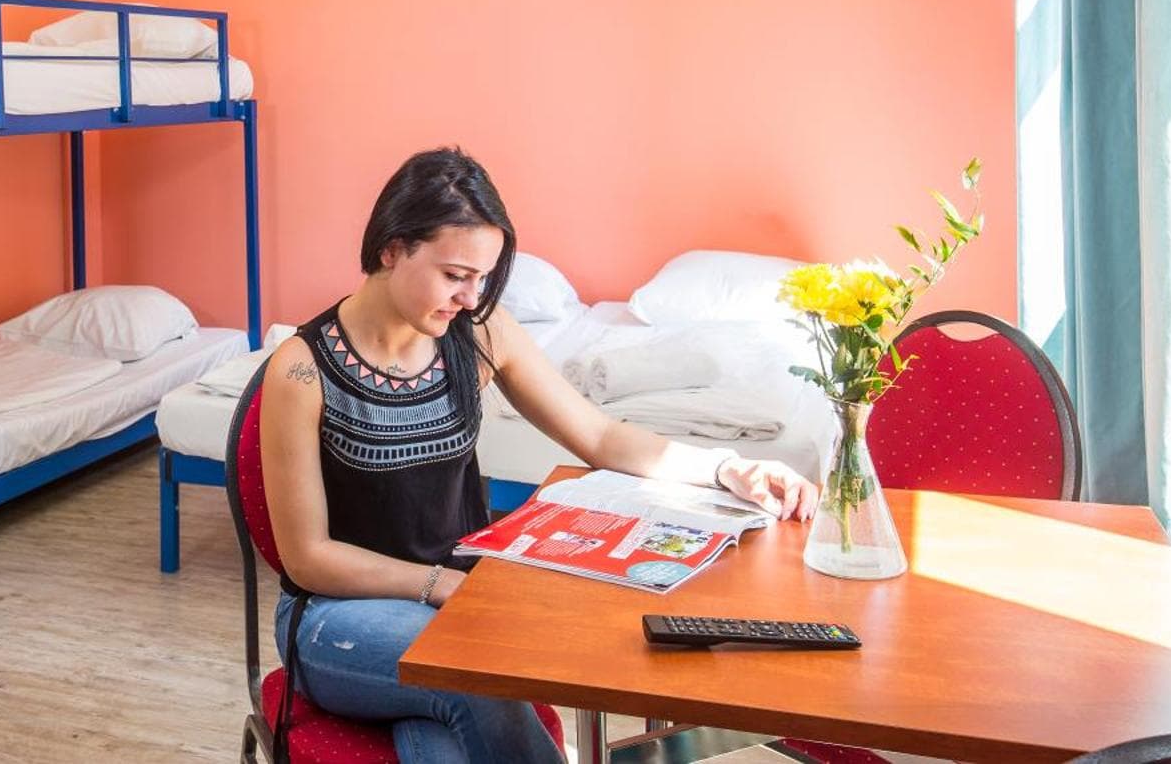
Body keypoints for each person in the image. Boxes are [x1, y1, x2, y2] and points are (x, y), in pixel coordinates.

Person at [261, 148, 819, 764]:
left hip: (455, 611)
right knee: (477, 679)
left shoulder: (479, 335)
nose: (470, 297)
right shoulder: (300, 370)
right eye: (455, 275)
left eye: (483, 278)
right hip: (335, 621)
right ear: (392, 249)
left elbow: (598, 436)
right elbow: (308, 558)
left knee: (447, 747)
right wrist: (442, 586)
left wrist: (725, 467)